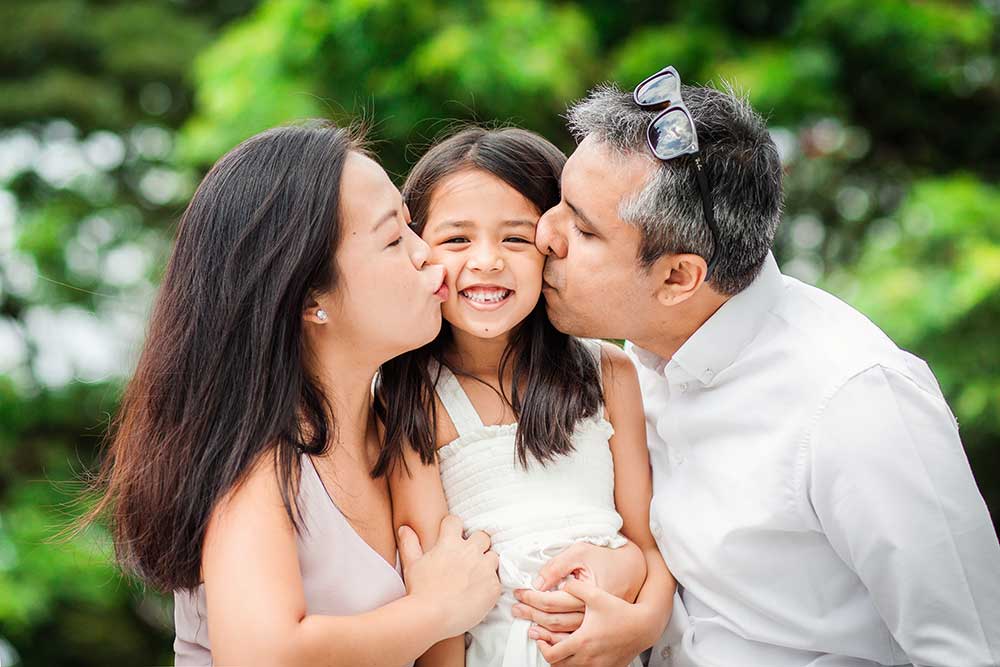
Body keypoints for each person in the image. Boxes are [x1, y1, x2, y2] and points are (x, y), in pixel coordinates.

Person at [523, 66, 1000, 666]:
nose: (544, 233)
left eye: (582, 228)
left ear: (678, 277)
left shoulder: (855, 401)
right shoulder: (627, 364)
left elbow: (971, 652)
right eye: (559, 204)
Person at [84, 121, 502, 666]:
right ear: (310, 299)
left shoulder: (402, 425)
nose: (427, 255)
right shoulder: (259, 458)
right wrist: (437, 610)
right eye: (394, 239)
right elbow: (263, 655)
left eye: (410, 227)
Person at [374, 126, 674, 667]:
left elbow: (647, 542)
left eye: (515, 238)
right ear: (418, 250)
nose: (487, 261)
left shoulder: (608, 372)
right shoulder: (410, 394)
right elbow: (433, 591)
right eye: (457, 239)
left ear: (551, 246)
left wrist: (640, 620)